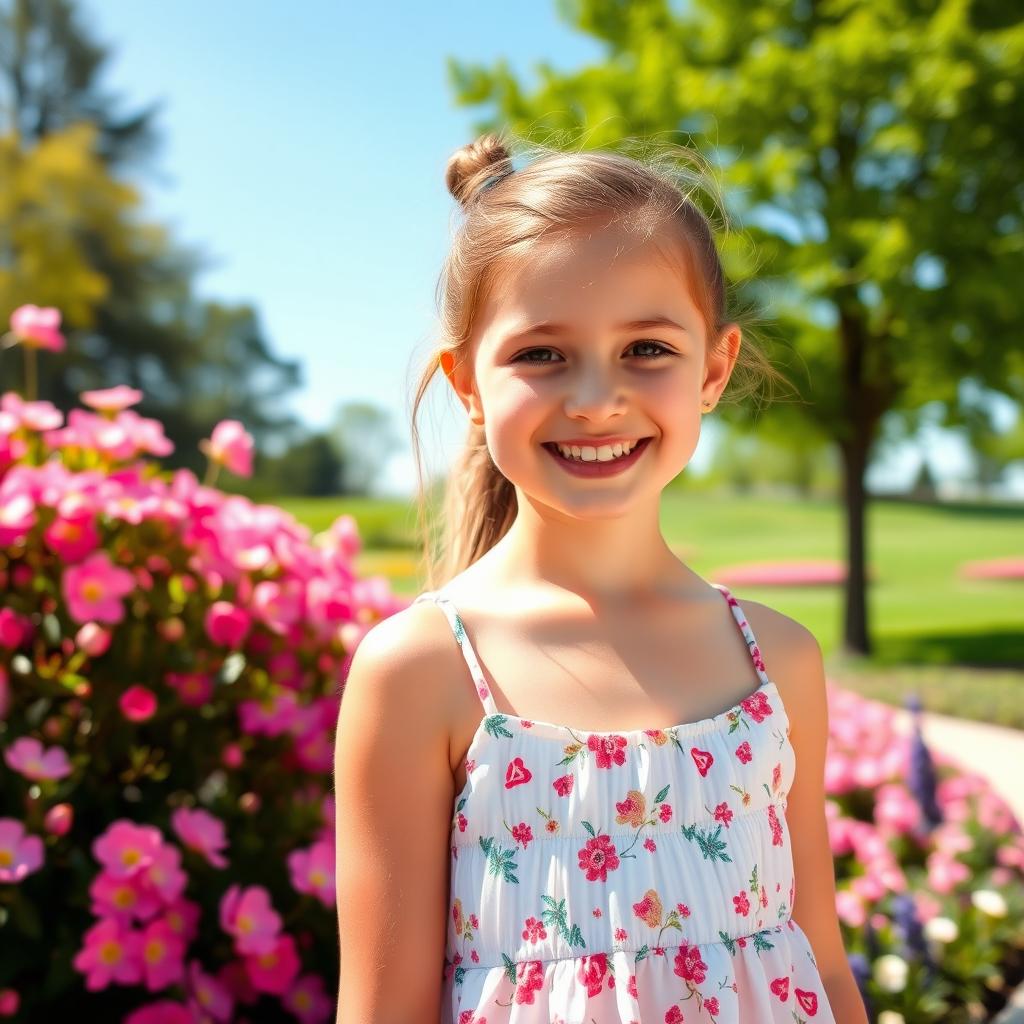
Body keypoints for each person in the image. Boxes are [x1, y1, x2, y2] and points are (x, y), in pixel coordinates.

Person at [333, 129, 867, 1024]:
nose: (593, 398)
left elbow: (818, 954)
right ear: (467, 382)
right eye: (541, 354)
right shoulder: (419, 671)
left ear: (716, 367)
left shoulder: (779, 662)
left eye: (647, 349)